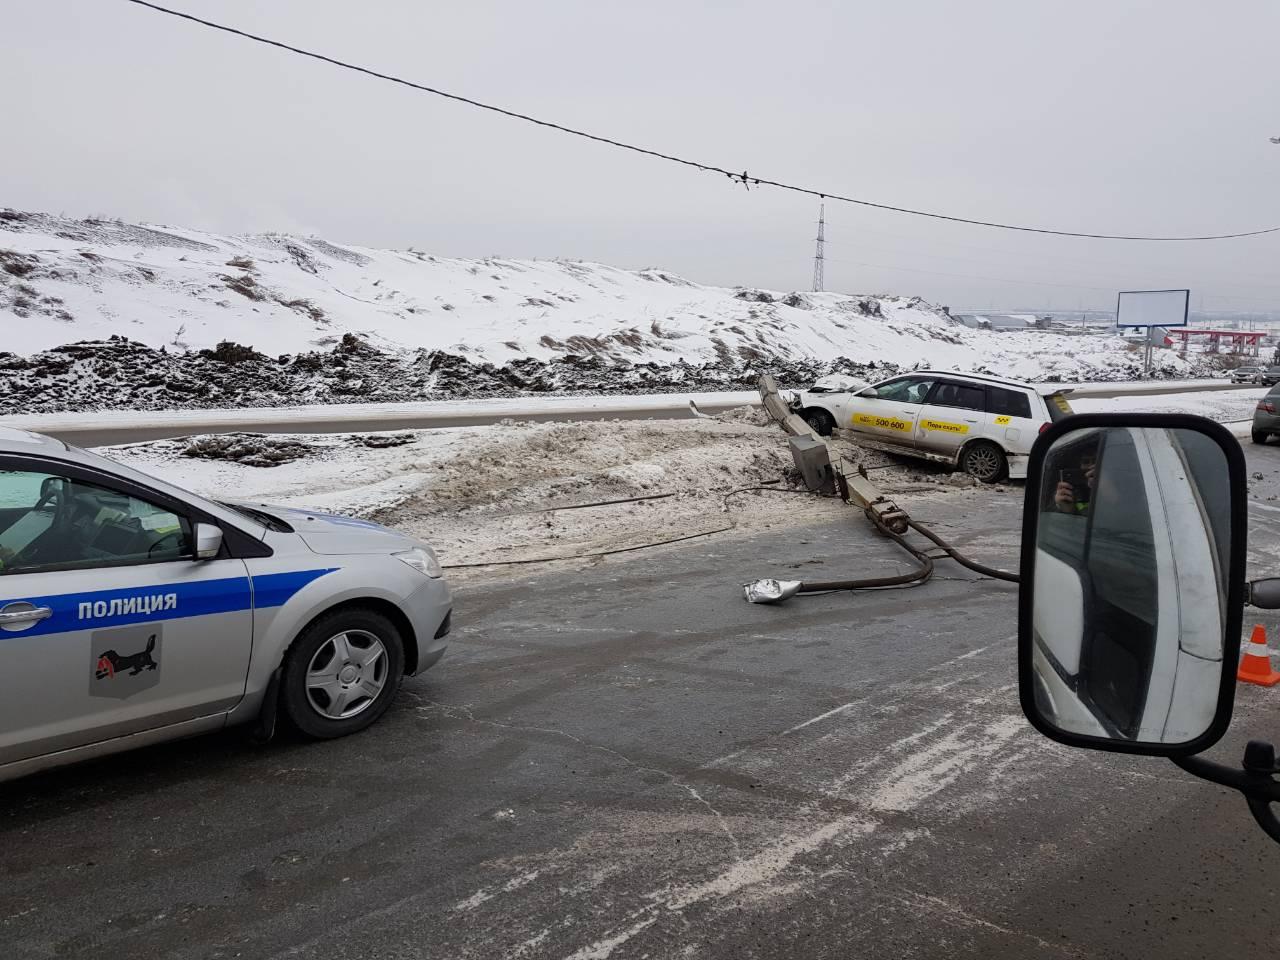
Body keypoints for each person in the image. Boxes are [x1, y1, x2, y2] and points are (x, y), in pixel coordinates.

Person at [1055, 450, 1096, 514]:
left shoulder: (1111, 484)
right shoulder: (1069, 490)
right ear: (1079, 465)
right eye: (1085, 462)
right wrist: (1067, 510)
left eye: (1096, 461)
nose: (1090, 465)